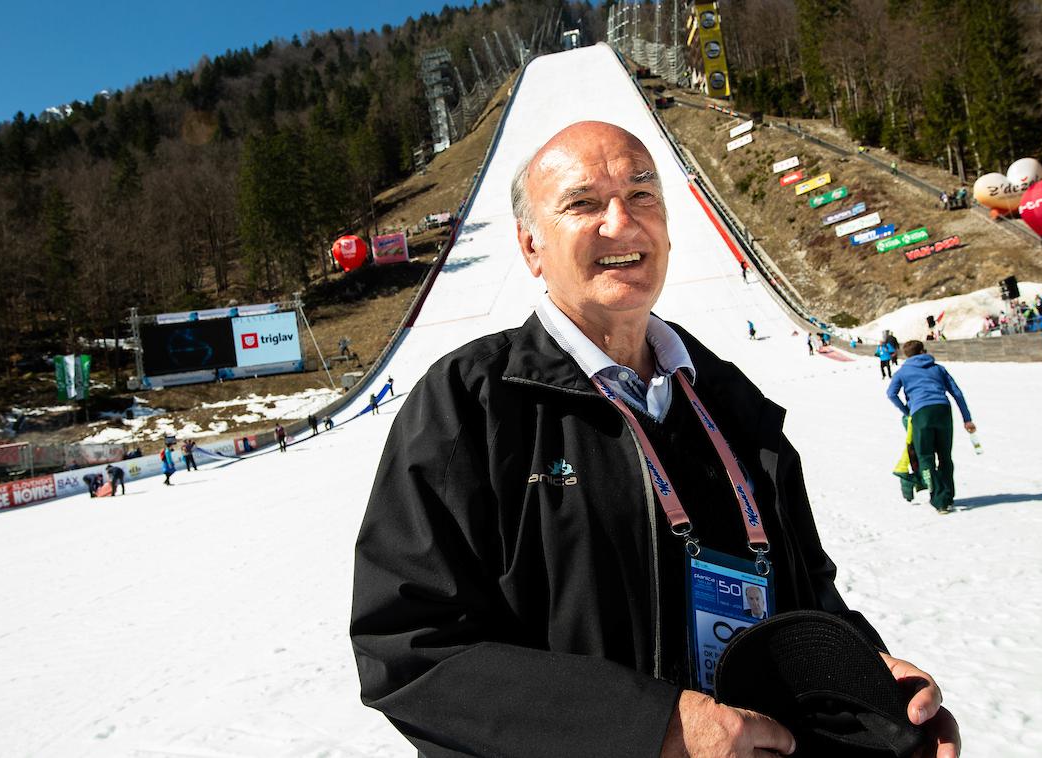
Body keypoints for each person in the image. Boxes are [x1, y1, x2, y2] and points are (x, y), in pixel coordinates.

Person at [351, 121, 959, 758]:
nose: (622, 223)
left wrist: (871, 687)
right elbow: (409, 648)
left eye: (643, 195)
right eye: (583, 203)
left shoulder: (729, 400)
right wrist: (649, 728)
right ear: (532, 247)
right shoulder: (469, 405)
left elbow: (806, 593)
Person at [886, 340, 976, 514]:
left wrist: (907, 411)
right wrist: (967, 419)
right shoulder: (938, 368)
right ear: (923, 351)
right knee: (945, 456)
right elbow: (956, 392)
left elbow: (891, 394)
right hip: (943, 410)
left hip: (920, 414)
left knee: (926, 457)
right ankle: (947, 496)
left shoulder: (902, 372)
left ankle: (938, 499)